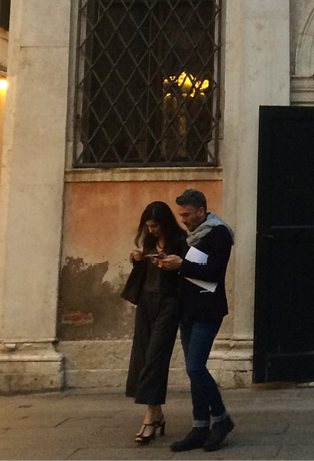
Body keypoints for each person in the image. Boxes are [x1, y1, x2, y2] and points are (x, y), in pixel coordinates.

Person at [157, 189, 235, 453]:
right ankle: (200, 426)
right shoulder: (190, 236)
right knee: (193, 373)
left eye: (187, 214)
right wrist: (168, 264)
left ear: (201, 211)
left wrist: (181, 266)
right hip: (188, 309)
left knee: (195, 368)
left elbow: (214, 272)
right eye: (181, 215)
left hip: (208, 310)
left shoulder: (219, 234)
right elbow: (185, 270)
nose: (184, 220)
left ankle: (221, 419)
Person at [125, 201, 188, 445]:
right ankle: (157, 413)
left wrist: (171, 263)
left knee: (154, 357)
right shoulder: (150, 241)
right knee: (141, 357)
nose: (151, 231)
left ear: (164, 223)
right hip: (146, 302)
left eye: (154, 226)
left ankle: (150, 418)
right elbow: (143, 271)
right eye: (148, 226)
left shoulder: (180, 240)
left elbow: (187, 269)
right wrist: (138, 258)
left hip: (168, 303)